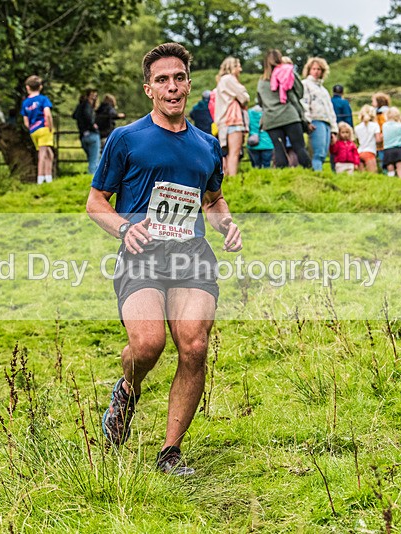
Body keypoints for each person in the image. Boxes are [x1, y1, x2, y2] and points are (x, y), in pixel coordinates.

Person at [86, 42, 242, 476]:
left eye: (179, 78)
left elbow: (213, 199)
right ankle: (127, 388)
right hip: (142, 257)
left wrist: (225, 223)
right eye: (162, 80)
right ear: (148, 89)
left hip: (192, 257)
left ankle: (170, 453)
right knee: (148, 344)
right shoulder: (126, 139)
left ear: (189, 84)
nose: (172, 87)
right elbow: (96, 202)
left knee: (193, 345)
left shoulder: (207, 145)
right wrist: (124, 227)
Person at [256, 49, 311, 169]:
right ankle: (309, 172)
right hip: (289, 116)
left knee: (279, 148)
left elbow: (260, 102)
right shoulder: (287, 73)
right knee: (299, 147)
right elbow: (299, 93)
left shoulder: (261, 81)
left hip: (271, 118)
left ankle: (282, 176)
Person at [214, 56, 250, 176]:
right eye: (238, 66)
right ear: (232, 67)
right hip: (233, 119)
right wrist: (245, 96)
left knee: (227, 153)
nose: (240, 69)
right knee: (234, 152)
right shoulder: (229, 79)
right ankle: (233, 178)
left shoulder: (221, 81)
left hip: (223, 121)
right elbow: (244, 97)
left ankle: (227, 179)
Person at [301, 57, 338, 171]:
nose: (316, 71)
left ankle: (319, 171)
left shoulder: (324, 90)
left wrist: (333, 129)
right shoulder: (305, 84)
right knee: (318, 152)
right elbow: (304, 102)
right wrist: (307, 121)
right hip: (316, 120)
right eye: (314, 69)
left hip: (326, 122)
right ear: (309, 70)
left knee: (323, 152)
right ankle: (317, 173)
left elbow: (330, 110)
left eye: (319, 69)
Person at [21, 75, 55, 184]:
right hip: (44, 128)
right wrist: (50, 127)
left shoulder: (25, 103)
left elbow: (26, 121)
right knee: (43, 154)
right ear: (40, 87)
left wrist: (31, 128)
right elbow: (47, 114)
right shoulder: (43, 99)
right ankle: (40, 179)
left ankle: (48, 178)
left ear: (27, 88)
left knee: (50, 154)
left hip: (33, 130)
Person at [72, 89, 100, 175]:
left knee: (91, 158)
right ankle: (93, 179)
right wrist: (92, 125)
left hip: (83, 135)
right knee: (94, 160)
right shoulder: (88, 106)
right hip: (92, 134)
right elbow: (88, 116)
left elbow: (74, 115)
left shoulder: (80, 106)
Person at [382, 107, 401, 178]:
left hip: (387, 150)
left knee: (390, 171)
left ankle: (391, 183)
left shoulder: (384, 126)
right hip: (397, 149)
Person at [354, 105, 382, 173]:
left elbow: (357, 141)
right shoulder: (375, 126)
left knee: (362, 176)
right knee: (373, 174)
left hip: (359, 152)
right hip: (370, 152)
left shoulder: (357, 127)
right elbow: (378, 140)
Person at [246, 104, 273, 168]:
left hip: (253, 143)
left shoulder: (249, 113)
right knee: (266, 165)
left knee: (256, 166)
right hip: (267, 144)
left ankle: (255, 177)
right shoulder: (269, 112)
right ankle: (266, 177)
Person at [372, 93, 391, 171]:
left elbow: (383, 124)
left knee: (382, 156)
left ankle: (385, 171)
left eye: (373, 101)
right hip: (386, 138)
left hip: (381, 137)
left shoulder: (381, 113)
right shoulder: (386, 111)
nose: (372, 103)